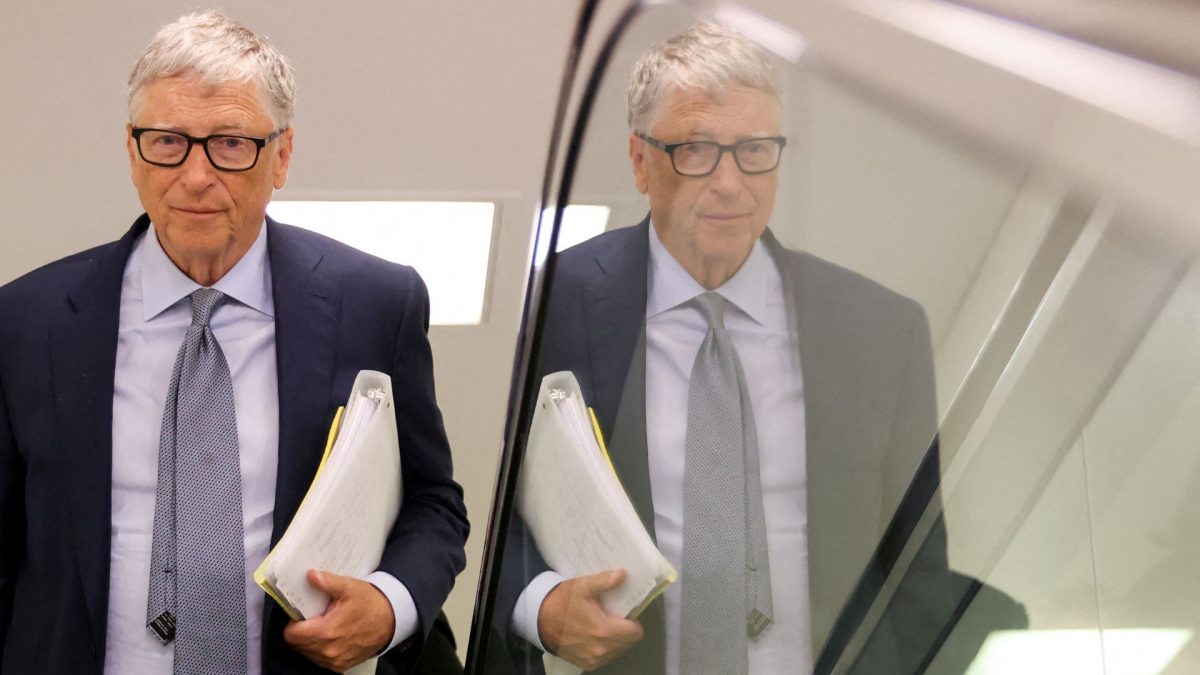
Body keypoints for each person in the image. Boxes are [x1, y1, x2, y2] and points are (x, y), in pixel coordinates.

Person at [0, 10, 468, 674]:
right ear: (131, 151)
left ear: (282, 155)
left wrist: (390, 604)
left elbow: (433, 501)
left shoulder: (376, 305)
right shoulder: (27, 321)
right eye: (167, 141)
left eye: (230, 143)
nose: (194, 176)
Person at [491, 22, 956, 674]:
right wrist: (539, 603)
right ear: (639, 158)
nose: (730, 183)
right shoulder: (558, 304)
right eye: (697, 150)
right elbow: (495, 514)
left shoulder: (882, 330)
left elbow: (919, 566)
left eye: (754, 150)